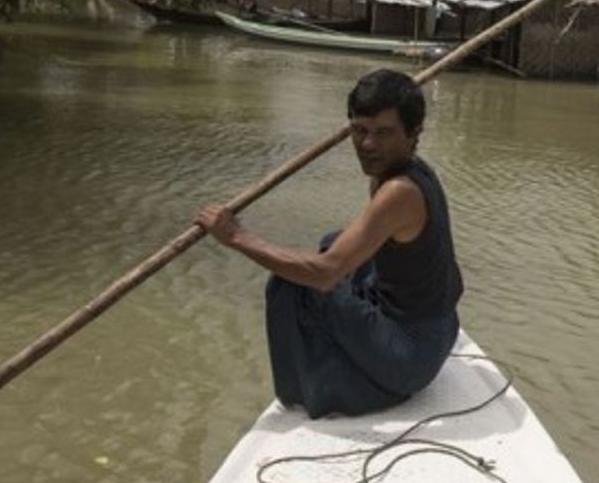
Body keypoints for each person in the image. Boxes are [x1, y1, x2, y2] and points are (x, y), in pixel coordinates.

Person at [196, 68, 463, 418]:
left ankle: (307, 390)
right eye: (359, 130)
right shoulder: (402, 171)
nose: (368, 145)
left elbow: (324, 274)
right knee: (333, 241)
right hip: (441, 328)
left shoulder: (399, 192)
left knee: (294, 282)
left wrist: (236, 237)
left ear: (414, 133)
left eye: (383, 133)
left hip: (412, 356)